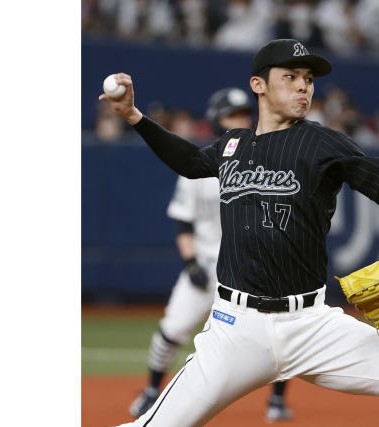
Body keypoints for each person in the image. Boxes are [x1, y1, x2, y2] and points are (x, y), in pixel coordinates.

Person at [99, 38, 379, 427]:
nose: (303, 86)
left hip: (313, 326)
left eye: (308, 79)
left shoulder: (323, 143)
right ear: (259, 85)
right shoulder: (234, 144)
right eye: (291, 76)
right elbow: (189, 161)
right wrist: (133, 115)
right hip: (235, 329)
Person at [128, 87, 293, 422]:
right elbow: (183, 223)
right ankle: (151, 389)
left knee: (280, 332)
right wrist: (190, 262)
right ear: (217, 119)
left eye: (244, 114)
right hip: (205, 265)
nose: (240, 120)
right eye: (232, 114)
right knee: (171, 330)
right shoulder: (197, 166)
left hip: (249, 269)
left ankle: (276, 400)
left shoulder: (264, 164)